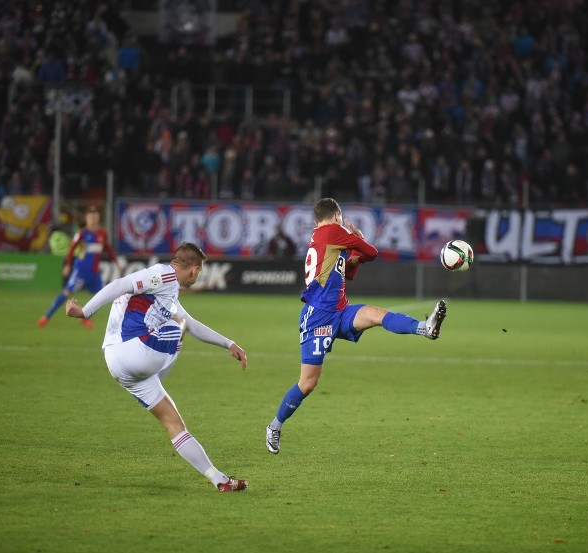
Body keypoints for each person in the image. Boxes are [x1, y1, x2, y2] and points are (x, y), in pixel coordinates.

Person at [264, 197, 447, 454]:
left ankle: (424, 328)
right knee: (308, 383)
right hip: (318, 318)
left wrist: (355, 256)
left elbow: (349, 270)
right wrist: (357, 237)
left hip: (340, 311)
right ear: (337, 215)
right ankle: (274, 426)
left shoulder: (323, 238)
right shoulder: (335, 231)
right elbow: (372, 252)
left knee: (376, 314)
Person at [65, 242, 249, 492]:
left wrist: (228, 343)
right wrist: (85, 311)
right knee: (178, 326)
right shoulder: (164, 274)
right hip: (134, 349)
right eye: (200, 271)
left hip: (118, 366)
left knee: (174, 424)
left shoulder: (165, 294)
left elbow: (193, 324)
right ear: (194, 270)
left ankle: (219, 479)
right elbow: (120, 284)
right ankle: (162, 371)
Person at [38, 207, 121, 328]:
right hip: (80, 272)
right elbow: (71, 250)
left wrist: (116, 263)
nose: (93, 219)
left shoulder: (102, 233)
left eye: (95, 217)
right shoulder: (82, 233)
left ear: (98, 218)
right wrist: (67, 265)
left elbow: (108, 248)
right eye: (90, 217)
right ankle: (47, 316)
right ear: (87, 219)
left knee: (102, 297)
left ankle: (85, 318)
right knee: (67, 293)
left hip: (94, 273)